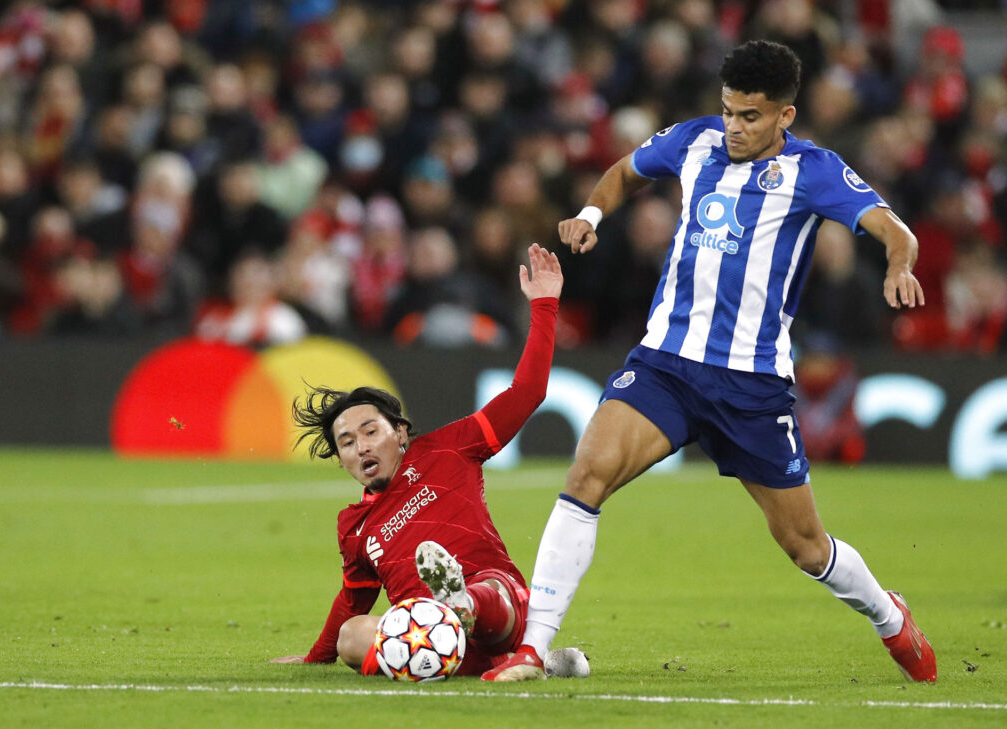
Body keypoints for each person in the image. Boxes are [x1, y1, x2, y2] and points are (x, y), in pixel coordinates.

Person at [482, 40, 936, 683]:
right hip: (666, 362)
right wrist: (591, 213)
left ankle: (889, 616)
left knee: (805, 547)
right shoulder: (692, 141)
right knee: (587, 474)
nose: (733, 126)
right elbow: (625, 171)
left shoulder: (815, 170)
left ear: (785, 116)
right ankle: (532, 647)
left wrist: (898, 265)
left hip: (751, 383)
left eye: (750, 116)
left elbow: (896, 230)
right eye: (728, 111)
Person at [271, 244, 588, 679]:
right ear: (340, 457)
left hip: (498, 603)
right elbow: (352, 600)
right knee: (352, 635)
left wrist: (545, 306)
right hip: (428, 634)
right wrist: (315, 657)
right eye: (346, 442)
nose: (361, 447)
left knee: (487, 591)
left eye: (370, 431)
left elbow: (526, 394)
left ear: (399, 433)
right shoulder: (355, 526)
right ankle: (527, 661)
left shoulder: (449, 447)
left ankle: (466, 609)